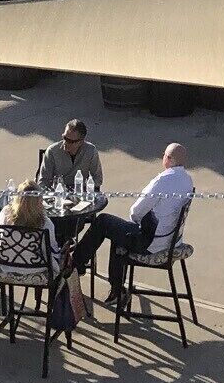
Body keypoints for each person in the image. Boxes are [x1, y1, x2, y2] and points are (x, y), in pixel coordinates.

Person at [72, 142, 193, 301]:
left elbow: (136, 211)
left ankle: (76, 264)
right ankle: (116, 289)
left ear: (168, 158)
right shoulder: (187, 180)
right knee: (119, 233)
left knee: (103, 221)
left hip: (151, 242)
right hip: (170, 240)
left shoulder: (162, 180)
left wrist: (134, 223)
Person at [36, 120, 104, 192]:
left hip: (81, 192)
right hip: (59, 193)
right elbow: (43, 182)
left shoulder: (90, 151)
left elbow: (97, 178)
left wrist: (87, 190)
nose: (65, 143)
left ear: (80, 142)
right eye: (64, 138)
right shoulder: (52, 151)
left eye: (70, 141)